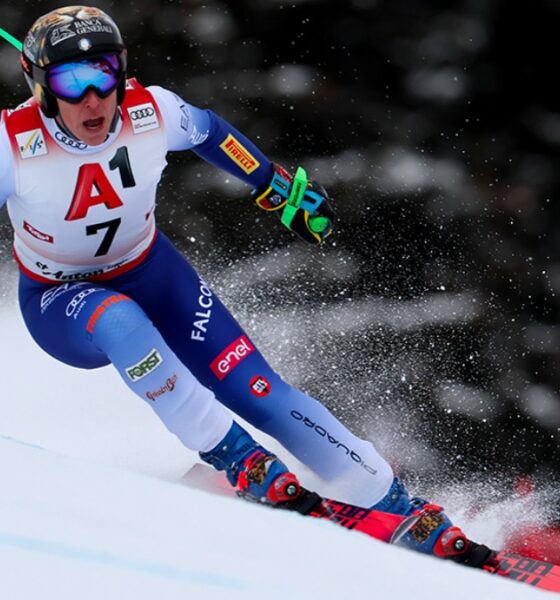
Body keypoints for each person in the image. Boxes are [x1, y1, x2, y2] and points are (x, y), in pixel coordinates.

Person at [1, 5, 495, 567]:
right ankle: (240, 459)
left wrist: (276, 187)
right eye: (71, 80)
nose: (93, 98)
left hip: (152, 272)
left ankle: (394, 502)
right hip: (60, 299)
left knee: (258, 388)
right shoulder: (13, 145)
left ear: (123, 69)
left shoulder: (152, 111)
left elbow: (211, 133)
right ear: (39, 85)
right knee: (119, 319)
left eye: (105, 73)